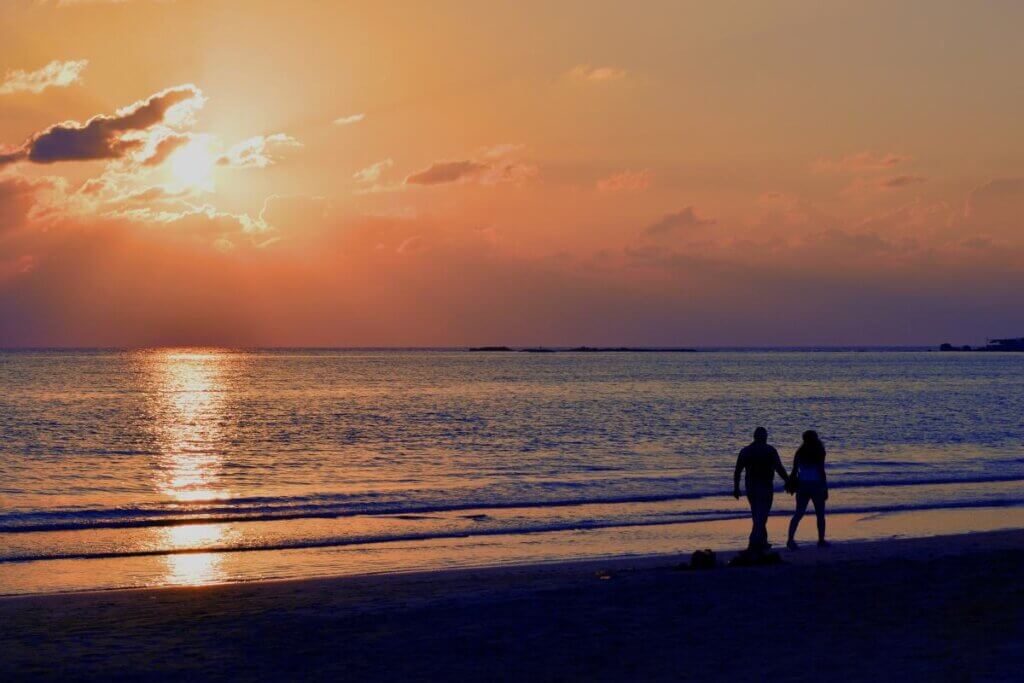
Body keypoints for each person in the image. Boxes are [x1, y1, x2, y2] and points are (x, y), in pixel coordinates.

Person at [733, 427, 789, 552]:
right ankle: (754, 541)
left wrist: (736, 488)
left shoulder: (746, 451)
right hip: (765, 486)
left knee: (757, 514)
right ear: (764, 437)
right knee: (762, 515)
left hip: (751, 487)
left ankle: (762, 541)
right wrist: (788, 481)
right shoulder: (770, 450)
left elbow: (737, 471)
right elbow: (779, 468)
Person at [786, 430, 829, 549]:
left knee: (798, 513)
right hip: (816, 485)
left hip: (802, 485)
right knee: (820, 514)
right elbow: (821, 470)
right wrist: (825, 487)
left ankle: (790, 540)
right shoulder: (819, 451)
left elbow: (794, 471)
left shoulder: (799, 452)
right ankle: (821, 540)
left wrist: (791, 483)